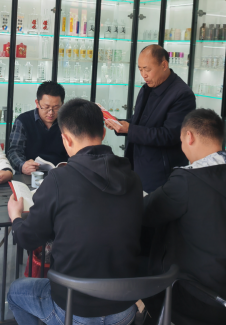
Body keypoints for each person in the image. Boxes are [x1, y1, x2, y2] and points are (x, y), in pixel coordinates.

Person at [7, 99, 143, 325]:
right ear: (103, 133)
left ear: (66, 139)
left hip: (74, 307)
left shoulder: (59, 179)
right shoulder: (133, 178)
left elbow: (27, 238)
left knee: (16, 292)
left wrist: (16, 217)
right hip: (124, 307)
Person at [142, 109, 226, 325]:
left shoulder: (187, 181)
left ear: (189, 137)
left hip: (196, 295)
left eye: (181, 140)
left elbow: (145, 212)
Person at [106, 44, 195, 192]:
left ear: (164, 65)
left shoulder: (182, 94)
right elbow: (141, 122)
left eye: (147, 69)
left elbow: (169, 135)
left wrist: (130, 129)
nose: (143, 75)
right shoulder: (147, 87)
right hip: (137, 164)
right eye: (140, 69)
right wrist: (120, 124)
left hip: (161, 172)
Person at [7, 81, 69, 175]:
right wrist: (22, 165)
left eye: (56, 107)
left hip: (60, 175)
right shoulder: (23, 120)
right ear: (37, 103)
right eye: (46, 107)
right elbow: (14, 151)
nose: (51, 112)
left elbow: (76, 152)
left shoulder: (68, 123)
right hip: (30, 175)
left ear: (62, 105)